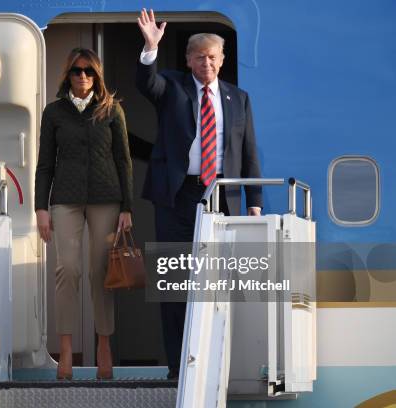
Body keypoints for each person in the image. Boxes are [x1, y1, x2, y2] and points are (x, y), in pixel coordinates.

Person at [136, 9, 263, 380]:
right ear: (188, 60)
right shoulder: (172, 86)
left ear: (222, 61)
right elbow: (147, 83)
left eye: (212, 57)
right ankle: (179, 367)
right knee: (177, 282)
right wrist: (149, 47)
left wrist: (253, 203)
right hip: (179, 196)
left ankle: (218, 361)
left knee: (221, 282)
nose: (205, 63)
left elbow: (250, 153)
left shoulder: (238, 99)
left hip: (223, 195)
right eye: (198, 56)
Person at [34, 48, 133, 380]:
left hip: (107, 199)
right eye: (76, 71)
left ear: (97, 75)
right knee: (68, 269)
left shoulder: (112, 110)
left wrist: (127, 208)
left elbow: (124, 162)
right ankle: (65, 348)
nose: (82, 77)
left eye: (89, 71)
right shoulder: (54, 113)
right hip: (65, 199)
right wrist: (41, 208)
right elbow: (45, 164)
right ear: (68, 75)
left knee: (100, 270)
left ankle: (104, 344)